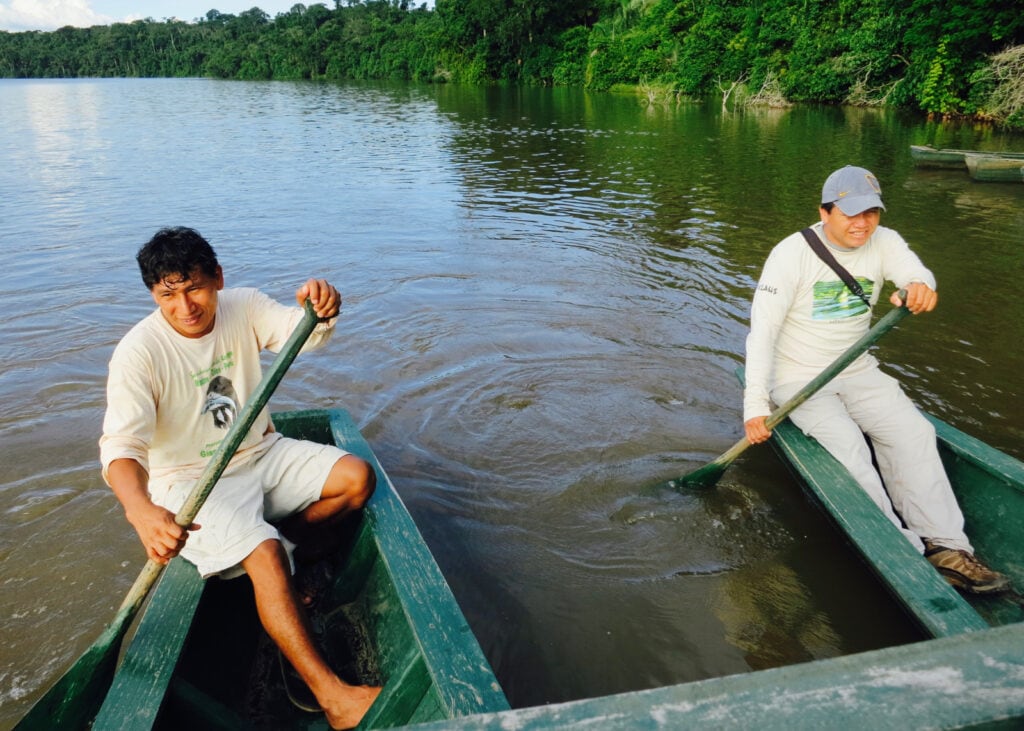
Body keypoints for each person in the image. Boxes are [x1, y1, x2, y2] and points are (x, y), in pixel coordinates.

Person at [99, 226, 381, 729]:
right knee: (263, 552)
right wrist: (140, 510)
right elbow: (122, 449)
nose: (186, 305)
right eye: (169, 294)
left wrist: (321, 305)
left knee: (357, 479)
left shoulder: (243, 305)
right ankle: (334, 697)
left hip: (259, 450)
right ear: (153, 295)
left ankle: (289, 551)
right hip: (189, 481)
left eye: (195, 288)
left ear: (217, 279)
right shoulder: (138, 352)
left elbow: (305, 331)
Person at [742, 166, 1009, 595]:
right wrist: (755, 404)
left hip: (857, 368)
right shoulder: (790, 255)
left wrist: (918, 287)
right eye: (850, 213)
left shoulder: (883, 241)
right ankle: (902, 551)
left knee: (914, 433)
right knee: (849, 451)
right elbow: (763, 333)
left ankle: (947, 547)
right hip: (799, 378)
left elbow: (915, 272)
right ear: (824, 212)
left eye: (871, 212)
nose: (862, 223)